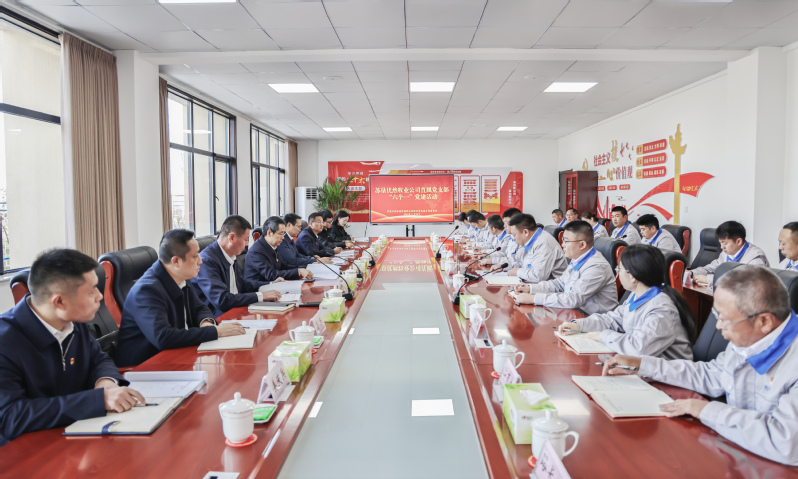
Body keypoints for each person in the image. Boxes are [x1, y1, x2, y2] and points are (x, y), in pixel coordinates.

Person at [602, 266, 798, 466]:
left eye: (725, 319)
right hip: (741, 452)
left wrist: (705, 410)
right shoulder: (751, 338)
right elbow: (711, 374)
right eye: (717, 315)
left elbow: (786, 441)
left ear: (764, 321)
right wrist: (643, 364)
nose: (718, 326)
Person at [0, 249, 145, 445]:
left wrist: (106, 383)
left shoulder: (72, 322)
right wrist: (98, 400)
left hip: (75, 434)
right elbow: (10, 417)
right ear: (59, 301)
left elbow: (99, 359)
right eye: (92, 291)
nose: (100, 296)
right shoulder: (6, 341)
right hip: (27, 450)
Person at [116, 229, 246, 367]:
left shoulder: (179, 276)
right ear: (176, 261)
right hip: (145, 367)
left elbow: (200, 307)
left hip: (177, 356)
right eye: (195, 256)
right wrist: (215, 331)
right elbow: (163, 337)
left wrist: (206, 323)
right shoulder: (146, 291)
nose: (200, 261)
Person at [557, 244, 694, 359]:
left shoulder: (662, 308)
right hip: (643, 369)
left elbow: (640, 348)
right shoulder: (636, 295)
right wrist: (579, 325)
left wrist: (602, 336)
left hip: (666, 378)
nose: (618, 273)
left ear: (633, 276)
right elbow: (613, 320)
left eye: (619, 269)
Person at [513, 220, 618, 314]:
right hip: (575, 312)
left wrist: (534, 299)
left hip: (593, 320)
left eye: (566, 241)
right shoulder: (577, 258)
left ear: (582, 245)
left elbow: (574, 299)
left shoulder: (597, 266)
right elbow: (559, 284)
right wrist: (530, 288)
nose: (562, 245)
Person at [193, 215, 281, 318]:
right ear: (231, 237)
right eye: (246, 239)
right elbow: (222, 300)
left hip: (236, 311)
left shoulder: (230, 255)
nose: (247, 244)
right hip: (218, 318)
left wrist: (270, 284)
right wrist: (261, 296)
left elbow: (243, 285)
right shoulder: (206, 261)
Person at [245, 216, 313, 291]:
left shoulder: (272, 246)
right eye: (281, 234)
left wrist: (301, 269)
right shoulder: (256, 251)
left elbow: (283, 266)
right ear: (269, 233)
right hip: (258, 290)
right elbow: (271, 275)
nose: (283, 237)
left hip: (273, 287)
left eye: (284, 234)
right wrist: (298, 272)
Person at [689, 221, 768, 284]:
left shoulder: (755, 258)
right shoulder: (726, 253)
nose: (722, 247)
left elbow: (747, 282)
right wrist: (692, 273)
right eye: (720, 243)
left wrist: (709, 279)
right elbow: (711, 268)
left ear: (738, 241)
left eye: (725, 243)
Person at [506, 213, 567, 283]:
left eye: (514, 235)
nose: (513, 238)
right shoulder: (530, 241)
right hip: (537, 284)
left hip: (552, 287)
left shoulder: (543, 243)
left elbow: (538, 276)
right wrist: (503, 267)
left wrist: (517, 272)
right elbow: (520, 263)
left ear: (526, 232)